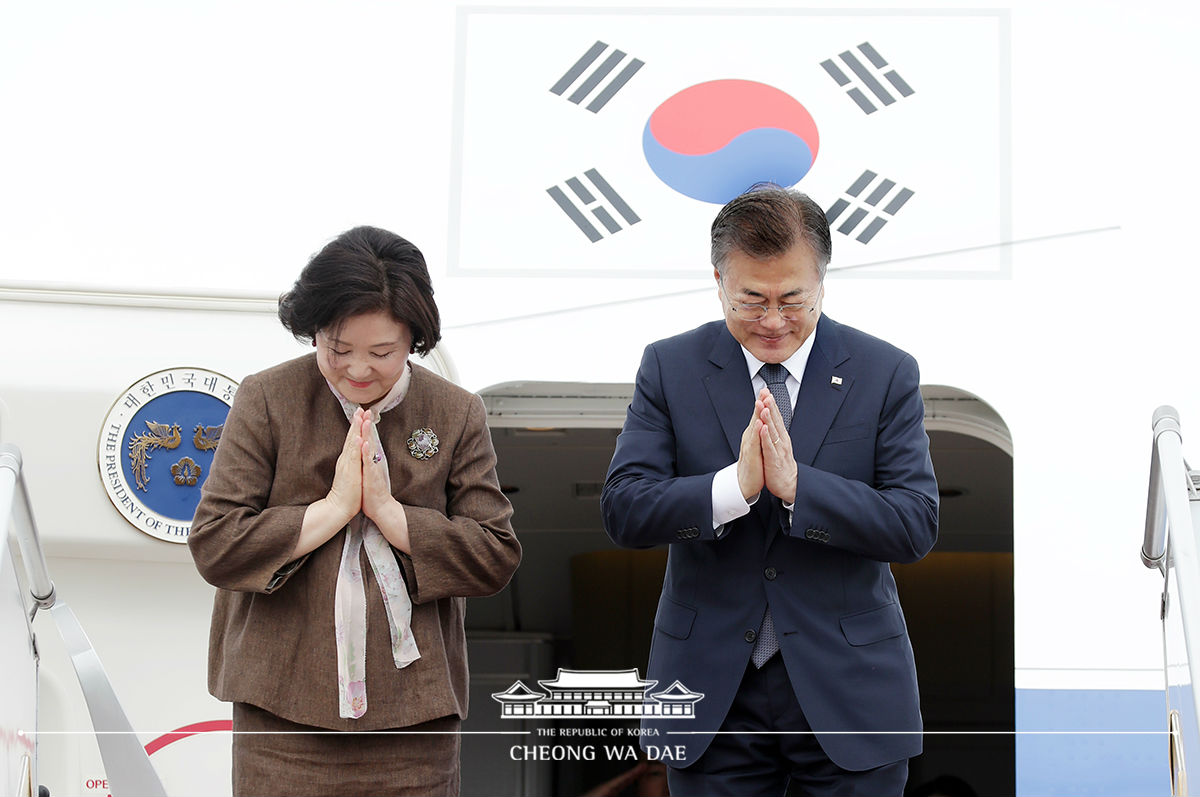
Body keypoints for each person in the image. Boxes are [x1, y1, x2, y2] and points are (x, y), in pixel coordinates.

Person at [601, 185, 938, 797]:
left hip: (849, 689)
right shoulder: (670, 366)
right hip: (711, 693)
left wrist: (798, 488)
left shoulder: (885, 371)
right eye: (751, 300)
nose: (774, 321)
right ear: (718, 280)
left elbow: (914, 523)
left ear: (823, 280)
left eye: (792, 299)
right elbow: (625, 508)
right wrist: (733, 488)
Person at [188, 226, 520, 797]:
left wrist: (392, 515)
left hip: (413, 720)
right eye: (337, 350)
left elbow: (494, 554)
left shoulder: (454, 411)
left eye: (382, 353)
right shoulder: (268, 398)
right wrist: (334, 508)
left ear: (414, 338)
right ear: (311, 331)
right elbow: (216, 542)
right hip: (281, 712)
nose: (358, 370)